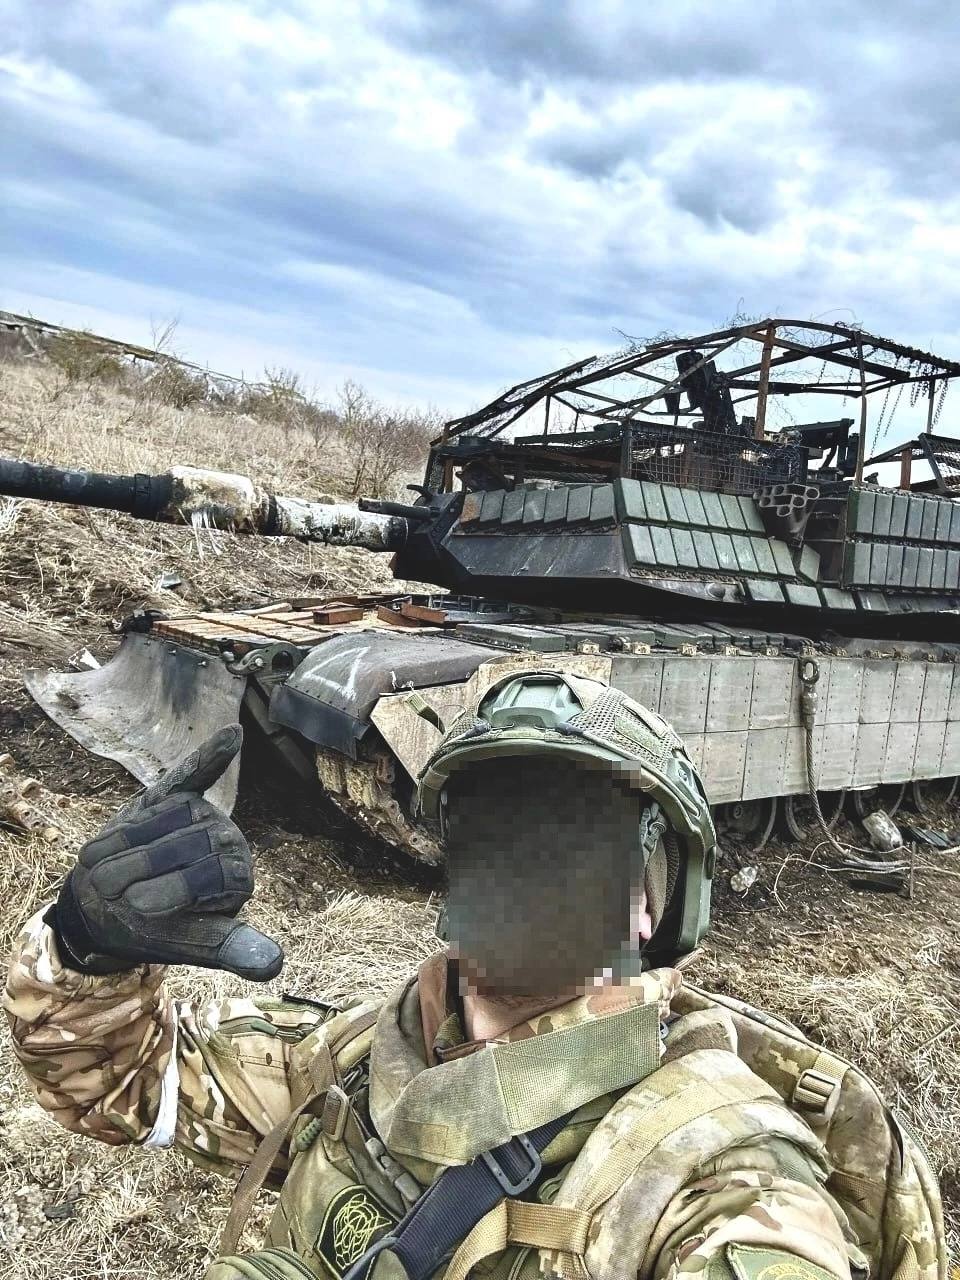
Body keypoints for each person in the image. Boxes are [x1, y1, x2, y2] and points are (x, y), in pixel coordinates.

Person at [2, 671, 940, 1280]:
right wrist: (89, 945)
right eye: (494, 826)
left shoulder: (721, 1179)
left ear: (652, 905)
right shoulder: (373, 1051)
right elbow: (132, 1086)